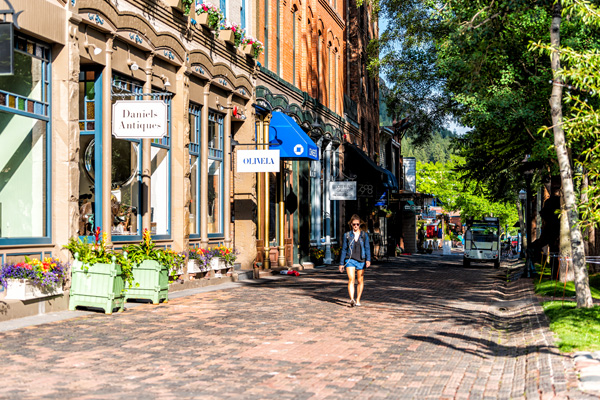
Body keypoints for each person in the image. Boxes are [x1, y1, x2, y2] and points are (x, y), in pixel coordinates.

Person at [339, 214, 371, 307]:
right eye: (354, 224)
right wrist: (341, 263)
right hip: (350, 260)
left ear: (360, 224)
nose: (356, 226)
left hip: (361, 259)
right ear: (351, 225)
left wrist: (368, 259)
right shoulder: (347, 235)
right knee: (351, 279)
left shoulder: (364, 235)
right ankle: (352, 299)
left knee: (360, 280)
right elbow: (344, 249)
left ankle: (358, 299)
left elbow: (367, 248)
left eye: (357, 224)